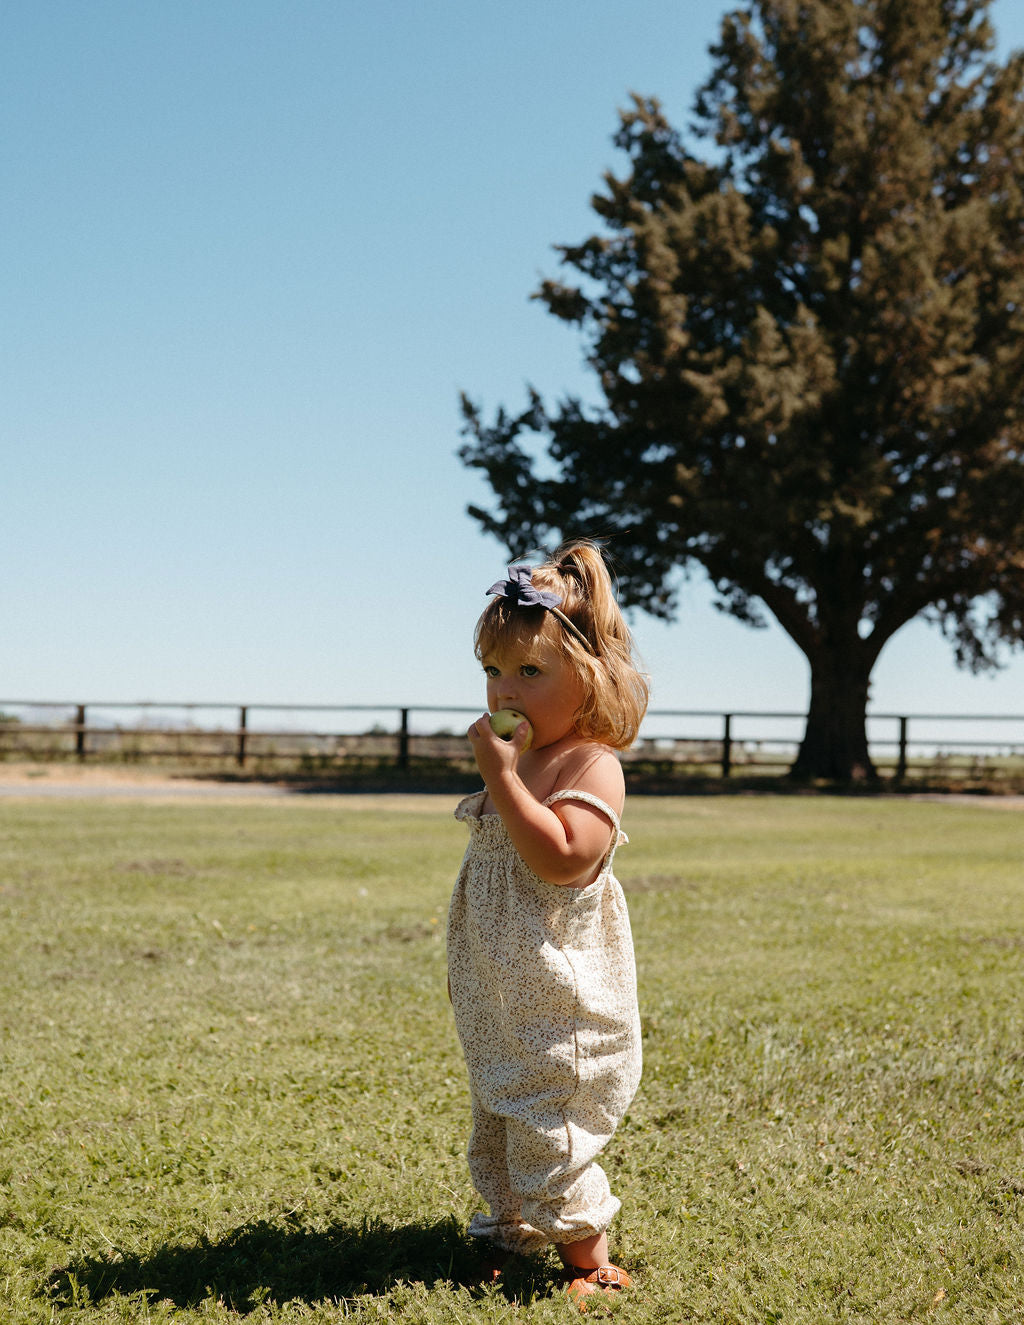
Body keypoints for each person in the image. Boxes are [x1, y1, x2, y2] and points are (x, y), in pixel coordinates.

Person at [446, 540, 650, 1307]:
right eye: (493, 669)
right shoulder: (520, 760)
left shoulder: (589, 764)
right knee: (500, 1115)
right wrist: (505, 773)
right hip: (501, 990)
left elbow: (562, 857)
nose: (505, 688)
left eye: (530, 671)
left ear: (591, 675)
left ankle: (588, 1257)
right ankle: (510, 1228)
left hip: (560, 994)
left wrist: (501, 779)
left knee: (550, 1119)